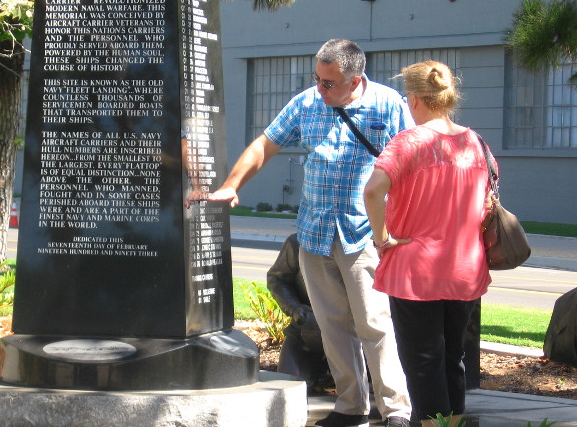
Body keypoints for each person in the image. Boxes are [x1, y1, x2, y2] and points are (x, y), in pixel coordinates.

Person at [210, 39, 412, 427]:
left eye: (328, 83)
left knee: (374, 323)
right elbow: (264, 146)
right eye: (317, 79)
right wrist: (233, 184)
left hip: (363, 234)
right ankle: (351, 406)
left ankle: (396, 410)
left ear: (355, 81)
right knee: (332, 325)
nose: (320, 89)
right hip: (314, 234)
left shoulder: (388, 105)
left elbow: (412, 163)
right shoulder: (307, 103)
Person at [363, 60, 493, 426]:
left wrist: (382, 238)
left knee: (422, 361)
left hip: (417, 270)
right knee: (453, 357)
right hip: (465, 268)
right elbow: (486, 202)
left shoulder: (409, 142)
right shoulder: (475, 143)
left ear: (415, 99)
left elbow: (373, 190)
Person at [266, 233, 331, 390]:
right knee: (288, 386)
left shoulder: (360, 242)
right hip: (305, 330)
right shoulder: (296, 243)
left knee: (368, 387)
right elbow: (277, 279)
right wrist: (294, 308)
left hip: (351, 335)